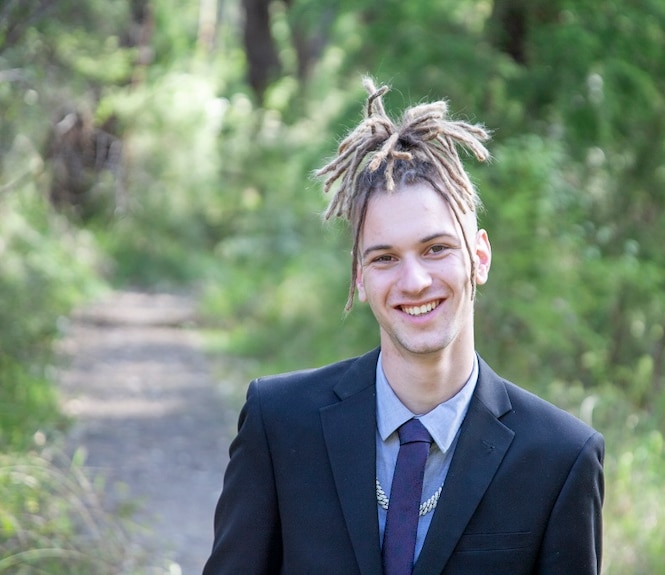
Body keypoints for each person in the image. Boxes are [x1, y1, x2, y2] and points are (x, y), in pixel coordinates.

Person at [204, 78, 604, 575]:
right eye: (386, 257)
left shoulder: (561, 458)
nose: (414, 281)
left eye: (436, 249)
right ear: (361, 278)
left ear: (479, 258)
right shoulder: (279, 424)